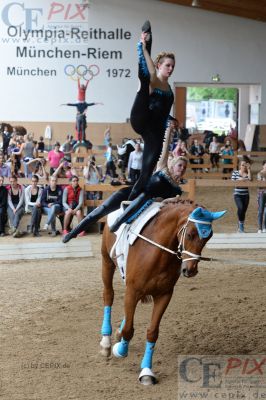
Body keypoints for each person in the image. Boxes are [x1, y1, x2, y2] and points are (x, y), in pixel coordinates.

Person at [62, 118, 187, 242]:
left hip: (148, 203)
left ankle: (119, 222)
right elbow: (164, 147)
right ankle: (74, 231)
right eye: (180, 165)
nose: (182, 169)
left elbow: (167, 203)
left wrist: (168, 200)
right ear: (172, 165)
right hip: (133, 191)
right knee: (101, 209)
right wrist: (170, 129)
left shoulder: (177, 189)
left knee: (145, 196)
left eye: (184, 167)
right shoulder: (163, 167)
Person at [231, 158, 252, 233]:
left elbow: (250, 179)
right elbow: (232, 182)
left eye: (245, 165)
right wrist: (239, 180)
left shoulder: (247, 173)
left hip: (246, 195)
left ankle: (240, 227)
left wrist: (249, 170)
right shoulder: (235, 173)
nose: (243, 166)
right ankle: (240, 227)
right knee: (240, 207)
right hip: (237, 194)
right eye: (242, 165)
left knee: (243, 211)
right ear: (240, 166)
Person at [257, 160, 266, 233]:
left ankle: (264, 226)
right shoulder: (259, 173)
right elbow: (260, 184)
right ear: (263, 165)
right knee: (260, 211)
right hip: (262, 193)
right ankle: (259, 228)